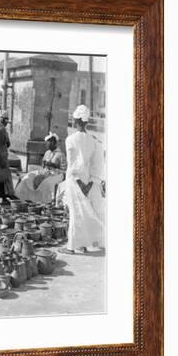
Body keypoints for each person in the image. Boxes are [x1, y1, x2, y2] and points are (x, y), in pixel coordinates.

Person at [59, 105, 106, 254]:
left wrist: (79, 183)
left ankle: (71, 246)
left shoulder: (71, 139)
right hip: (88, 181)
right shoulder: (94, 141)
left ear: (77, 121)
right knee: (84, 212)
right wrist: (90, 183)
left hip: (75, 180)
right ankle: (82, 244)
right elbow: (97, 164)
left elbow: (73, 164)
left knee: (75, 213)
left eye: (74, 120)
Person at [15, 132, 67, 203]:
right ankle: (25, 197)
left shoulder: (60, 155)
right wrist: (44, 166)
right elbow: (43, 166)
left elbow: (64, 171)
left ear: (52, 142)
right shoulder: (47, 153)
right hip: (45, 172)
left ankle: (46, 202)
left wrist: (53, 166)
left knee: (46, 183)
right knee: (28, 176)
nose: (46, 144)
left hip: (56, 175)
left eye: (48, 142)